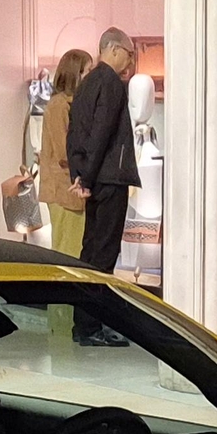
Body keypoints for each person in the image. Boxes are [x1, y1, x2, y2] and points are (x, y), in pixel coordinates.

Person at [64, 26, 140, 345]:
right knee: (103, 253)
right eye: (129, 53)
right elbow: (101, 133)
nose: (131, 61)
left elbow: (76, 134)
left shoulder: (86, 83)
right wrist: (90, 176)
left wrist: (80, 176)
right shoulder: (110, 82)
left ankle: (85, 324)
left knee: (90, 250)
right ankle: (92, 326)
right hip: (109, 180)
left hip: (95, 179)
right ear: (112, 49)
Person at [37, 47, 91, 260]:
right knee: (68, 251)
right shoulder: (59, 106)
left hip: (70, 189)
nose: (90, 76)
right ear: (75, 74)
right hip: (64, 190)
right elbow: (63, 151)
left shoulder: (71, 105)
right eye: (87, 71)